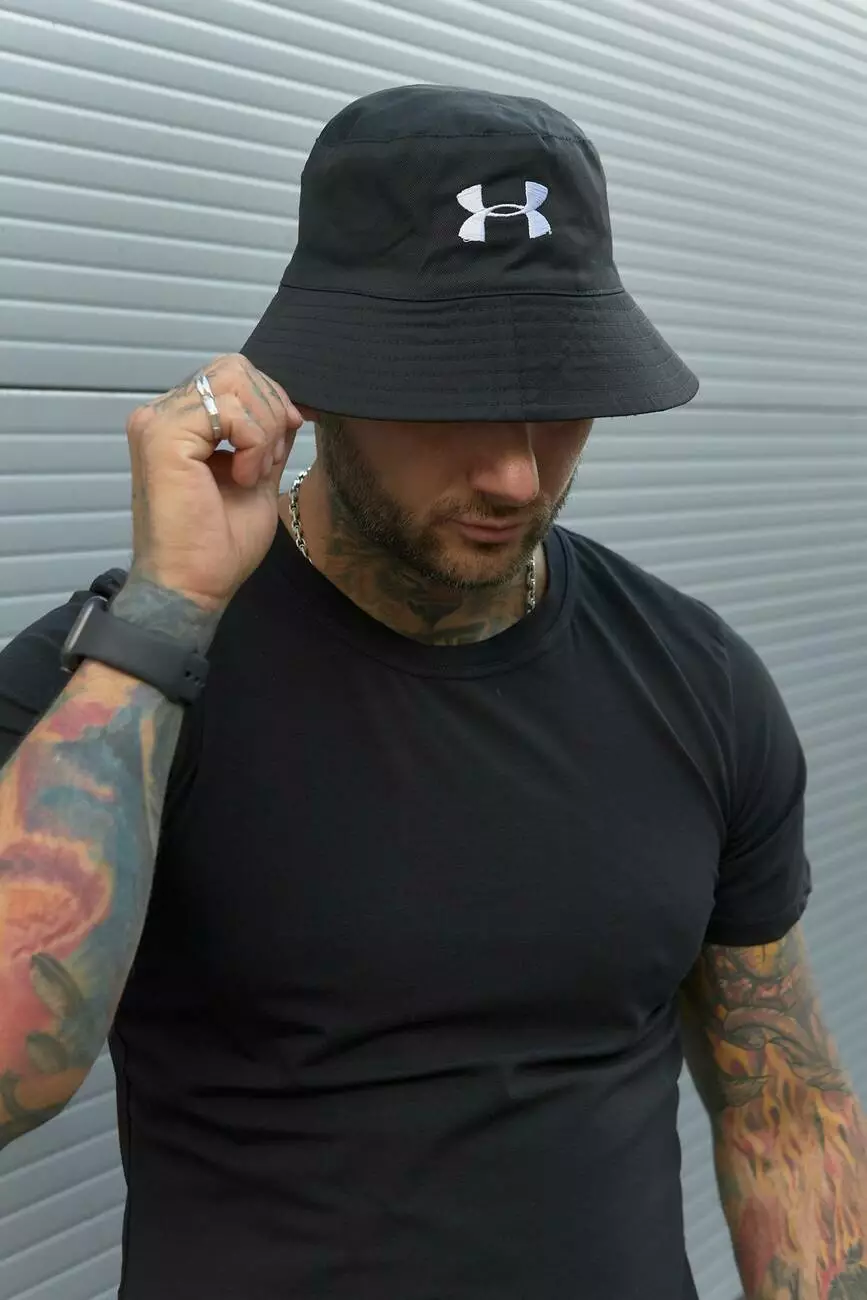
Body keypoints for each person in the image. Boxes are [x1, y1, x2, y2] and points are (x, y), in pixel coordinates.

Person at [0, 84, 864, 1300]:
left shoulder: (698, 680)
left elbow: (786, 1106)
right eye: (453, 395)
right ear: (316, 378)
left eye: (559, 390)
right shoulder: (115, 680)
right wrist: (167, 610)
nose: (516, 471)